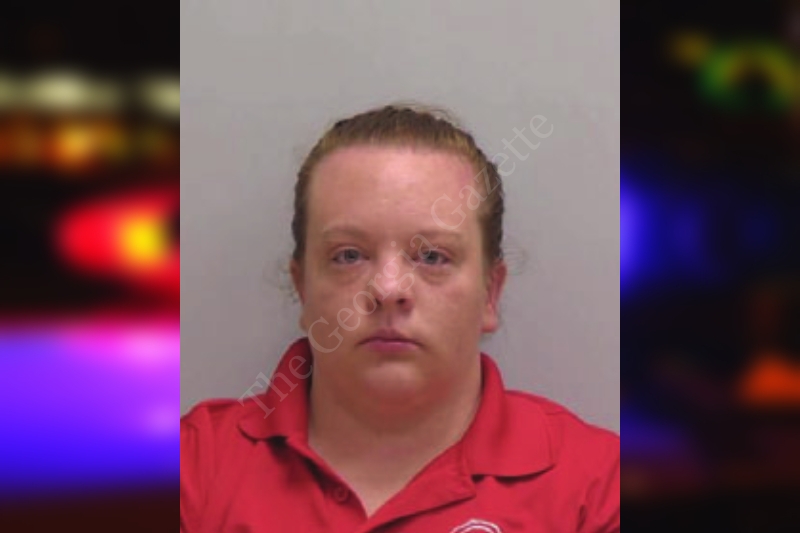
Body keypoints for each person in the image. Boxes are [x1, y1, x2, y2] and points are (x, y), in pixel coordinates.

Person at [180, 105, 620, 532]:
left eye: (432, 256)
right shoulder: (194, 466)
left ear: (490, 293)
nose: (389, 290)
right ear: (303, 289)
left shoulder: (598, 488)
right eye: (348, 255)